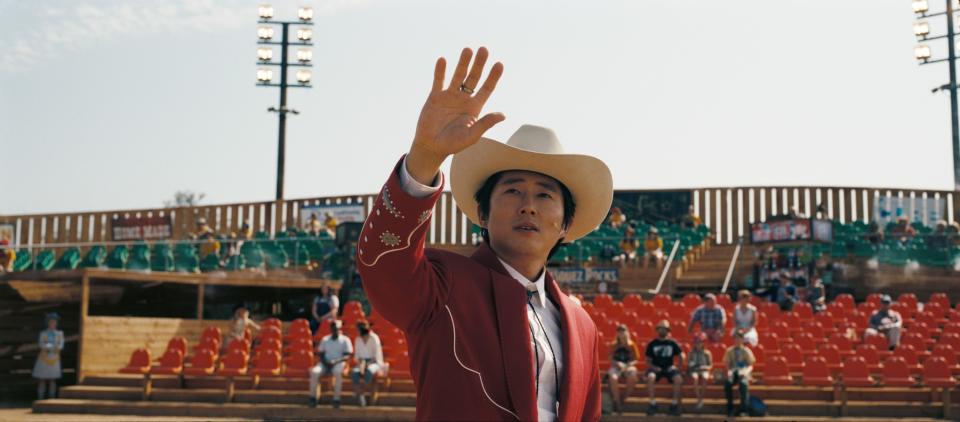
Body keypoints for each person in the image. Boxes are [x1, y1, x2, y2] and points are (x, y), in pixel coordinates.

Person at [356, 47, 607, 420]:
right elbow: (384, 266)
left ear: (565, 224)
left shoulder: (581, 324)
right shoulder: (441, 287)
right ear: (483, 215)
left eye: (544, 194)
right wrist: (425, 156)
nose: (528, 205)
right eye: (512, 191)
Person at [309, 320, 353, 408]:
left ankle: (336, 399)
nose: (335, 330)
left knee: (338, 373)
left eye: (337, 328)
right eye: (333, 328)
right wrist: (326, 362)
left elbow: (347, 355)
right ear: (331, 329)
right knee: (314, 372)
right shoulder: (325, 339)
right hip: (325, 363)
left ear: (339, 329)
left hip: (339, 363)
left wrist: (335, 361)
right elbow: (320, 353)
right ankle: (313, 398)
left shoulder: (345, 340)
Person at [644, 320, 684, 416]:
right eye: (660, 328)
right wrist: (653, 367)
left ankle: (674, 404)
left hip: (669, 368)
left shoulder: (672, 343)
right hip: (656, 368)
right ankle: (652, 403)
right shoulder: (652, 344)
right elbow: (648, 360)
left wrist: (677, 367)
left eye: (664, 329)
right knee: (650, 377)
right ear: (657, 330)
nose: (662, 330)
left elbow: (681, 355)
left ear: (668, 330)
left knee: (678, 379)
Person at [607, 324, 641, 415]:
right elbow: (610, 358)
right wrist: (617, 363)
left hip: (628, 366)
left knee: (632, 376)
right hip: (616, 367)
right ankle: (617, 403)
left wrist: (629, 364)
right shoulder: (613, 345)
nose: (621, 334)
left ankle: (623, 398)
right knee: (613, 377)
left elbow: (636, 359)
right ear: (617, 334)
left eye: (623, 331)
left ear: (627, 333)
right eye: (619, 332)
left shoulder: (632, 345)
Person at [723, 329, 756, 417]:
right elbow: (727, 364)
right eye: (735, 338)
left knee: (743, 384)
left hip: (744, 372)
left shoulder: (746, 351)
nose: (737, 340)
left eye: (739, 338)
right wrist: (729, 372)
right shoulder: (729, 350)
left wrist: (746, 372)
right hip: (734, 372)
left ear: (742, 339)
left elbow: (750, 365)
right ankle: (730, 408)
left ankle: (744, 409)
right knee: (727, 383)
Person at [351, 320, 384, 407]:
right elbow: (357, 356)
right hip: (361, 363)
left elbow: (377, 356)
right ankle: (361, 395)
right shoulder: (357, 339)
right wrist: (362, 364)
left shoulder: (374, 338)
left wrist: (367, 364)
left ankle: (361, 393)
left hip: (374, 363)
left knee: (369, 371)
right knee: (354, 373)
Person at [33, 313, 64, 400]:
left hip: (54, 358)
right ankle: (40, 397)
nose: (52, 324)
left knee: (52, 379)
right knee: (42, 378)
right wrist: (49, 346)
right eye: (51, 322)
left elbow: (61, 345)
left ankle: (51, 397)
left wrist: (55, 346)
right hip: (44, 357)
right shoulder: (43, 333)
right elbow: (41, 344)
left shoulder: (59, 334)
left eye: (54, 322)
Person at [686, 332, 713, 410]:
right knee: (695, 378)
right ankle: (698, 398)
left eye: (700, 342)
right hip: (694, 370)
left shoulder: (707, 353)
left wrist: (704, 367)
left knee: (705, 377)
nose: (698, 344)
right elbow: (688, 364)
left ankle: (701, 398)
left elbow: (710, 365)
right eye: (696, 342)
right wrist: (692, 366)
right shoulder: (691, 353)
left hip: (704, 370)